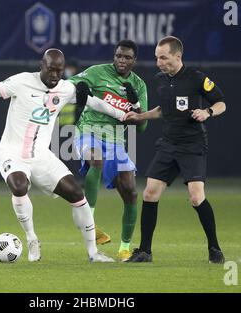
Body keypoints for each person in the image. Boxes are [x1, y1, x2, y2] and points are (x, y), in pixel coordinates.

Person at [0, 49, 127, 263]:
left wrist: (122, 115)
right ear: (41, 65)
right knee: (19, 185)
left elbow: (94, 102)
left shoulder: (66, 89)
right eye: (51, 69)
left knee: (77, 195)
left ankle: (93, 253)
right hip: (12, 153)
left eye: (59, 71)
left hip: (42, 156)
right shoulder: (21, 82)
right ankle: (32, 238)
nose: (54, 75)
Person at [123, 36, 226, 263]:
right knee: (149, 193)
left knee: (196, 197)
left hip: (192, 145)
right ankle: (145, 251)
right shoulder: (161, 80)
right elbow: (163, 110)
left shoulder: (196, 78)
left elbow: (221, 102)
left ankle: (215, 249)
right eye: (157, 58)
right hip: (168, 144)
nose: (158, 62)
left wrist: (207, 112)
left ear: (178, 56)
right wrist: (140, 116)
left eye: (163, 57)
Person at [69, 39, 148, 261]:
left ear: (134, 60)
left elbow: (142, 127)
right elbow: (70, 83)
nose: (121, 61)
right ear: (114, 56)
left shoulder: (139, 86)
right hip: (88, 132)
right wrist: (80, 86)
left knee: (131, 192)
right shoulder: (97, 72)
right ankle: (89, 223)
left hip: (116, 142)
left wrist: (136, 107)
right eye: (118, 56)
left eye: (127, 57)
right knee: (96, 159)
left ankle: (124, 248)